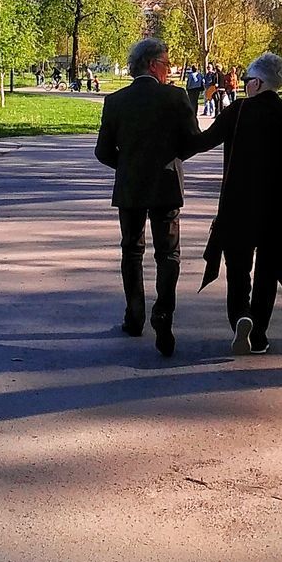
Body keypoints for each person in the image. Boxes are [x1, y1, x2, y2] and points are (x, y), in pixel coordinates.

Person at [182, 52, 282, 356]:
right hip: (281, 210)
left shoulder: (237, 111)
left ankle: (241, 314)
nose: (244, 86)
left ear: (257, 82)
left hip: (238, 206)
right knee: (268, 271)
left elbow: (201, 143)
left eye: (246, 80)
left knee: (238, 269)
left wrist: (172, 138)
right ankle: (260, 335)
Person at [94, 38, 200, 358]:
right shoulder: (176, 97)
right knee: (168, 254)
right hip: (166, 186)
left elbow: (102, 152)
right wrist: (170, 160)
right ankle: (163, 312)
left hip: (131, 188)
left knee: (132, 250)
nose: (169, 71)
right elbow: (194, 142)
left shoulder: (115, 101)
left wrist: (128, 166)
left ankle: (135, 315)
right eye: (166, 64)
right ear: (153, 64)